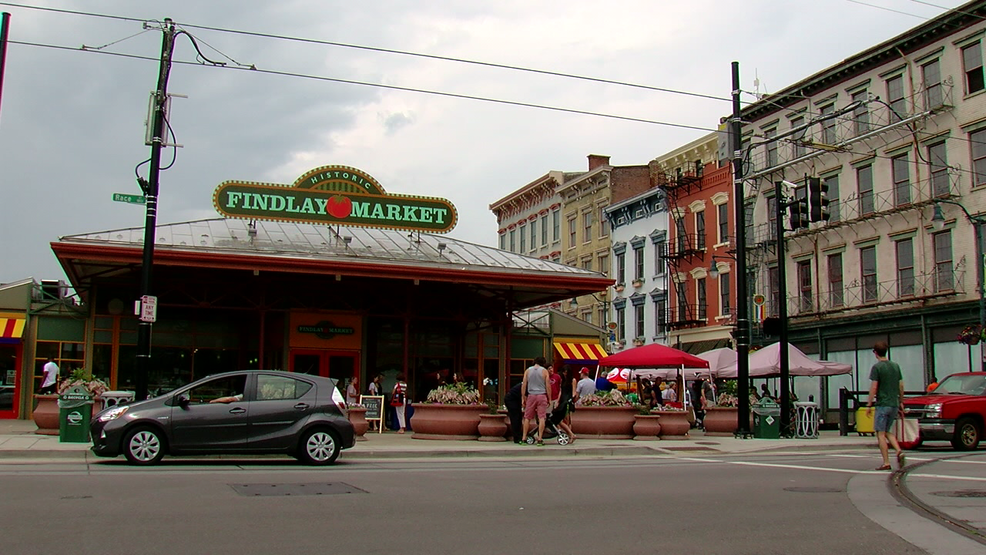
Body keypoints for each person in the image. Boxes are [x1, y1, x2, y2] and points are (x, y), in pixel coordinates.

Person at [865, 341, 905, 471]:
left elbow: (874, 387)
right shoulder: (895, 366)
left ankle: (886, 462)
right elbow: (901, 385)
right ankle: (898, 450)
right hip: (894, 403)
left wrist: (869, 404)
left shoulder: (877, 368)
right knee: (888, 431)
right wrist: (901, 401)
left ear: (875, 353)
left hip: (883, 404)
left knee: (880, 433)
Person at [521, 356, 550, 446]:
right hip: (542, 395)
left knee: (527, 417)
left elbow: (524, 384)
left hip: (531, 395)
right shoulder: (544, 371)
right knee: (542, 417)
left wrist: (523, 397)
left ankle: (524, 438)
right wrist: (549, 398)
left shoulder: (528, 371)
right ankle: (540, 438)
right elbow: (548, 385)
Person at [548, 363, 577, 443]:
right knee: (560, 418)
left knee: (568, 419)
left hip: (568, 400)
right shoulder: (562, 380)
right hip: (562, 400)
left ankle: (570, 435)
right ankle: (567, 434)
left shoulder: (572, 380)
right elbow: (560, 390)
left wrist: (571, 399)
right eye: (564, 372)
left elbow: (574, 392)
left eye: (566, 372)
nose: (564, 374)